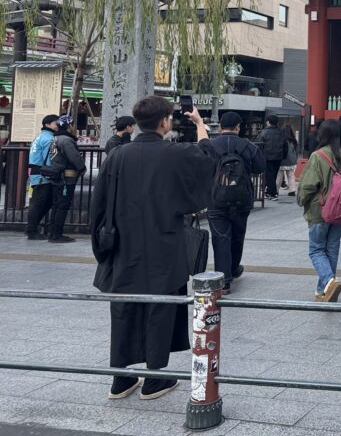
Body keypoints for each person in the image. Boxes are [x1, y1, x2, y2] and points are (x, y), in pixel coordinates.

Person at [90, 96, 216, 401]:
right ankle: (154, 378)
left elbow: (99, 205)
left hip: (124, 245)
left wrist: (102, 249)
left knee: (124, 307)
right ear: (164, 121)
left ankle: (121, 378)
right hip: (164, 242)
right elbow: (206, 159)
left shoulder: (117, 157)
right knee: (160, 307)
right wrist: (200, 124)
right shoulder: (175, 154)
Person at [298, 119, 341, 302]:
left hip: (320, 209)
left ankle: (329, 281)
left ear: (321, 134)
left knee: (316, 250)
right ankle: (323, 290)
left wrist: (301, 199)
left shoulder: (317, 156)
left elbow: (308, 185)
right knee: (331, 249)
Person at [209, 111, 265, 294]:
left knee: (220, 237)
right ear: (238, 128)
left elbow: (200, 169)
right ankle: (233, 268)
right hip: (242, 199)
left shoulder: (211, 146)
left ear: (219, 127)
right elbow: (260, 167)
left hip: (216, 200)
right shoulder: (247, 145)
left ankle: (223, 280)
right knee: (237, 235)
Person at [44, 115, 86, 243]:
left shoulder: (55, 138)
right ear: (68, 126)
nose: (74, 128)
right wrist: (82, 168)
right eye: (72, 125)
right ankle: (57, 234)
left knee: (57, 205)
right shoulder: (66, 140)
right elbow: (75, 158)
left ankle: (53, 233)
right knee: (63, 205)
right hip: (66, 178)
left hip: (57, 176)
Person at [25, 115, 59, 241]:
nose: (57, 126)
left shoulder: (39, 136)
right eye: (55, 123)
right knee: (39, 203)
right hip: (43, 174)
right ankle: (31, 230)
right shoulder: (49, 139)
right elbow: (51, 158)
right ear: (47, 124)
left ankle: (32, 227)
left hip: (35, 172)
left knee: (43, 201)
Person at [255, 114, 286, 200]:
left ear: (268, 122)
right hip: (278, 157)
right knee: (273, 175)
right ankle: (269, 192)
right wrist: (284, 155)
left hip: (267, 157)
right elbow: (285, 145)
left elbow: (259, 145)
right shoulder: (281, 132)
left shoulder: (264, 132)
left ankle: (273, 193)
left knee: (269, 176)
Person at [278, 124, 299, 195]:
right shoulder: (293, 141)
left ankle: (276, 190)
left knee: (279, 176)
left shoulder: (280, 140)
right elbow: (296, 151)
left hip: (282, 160)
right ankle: (292, 190)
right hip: (292, 160)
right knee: (291, 175)